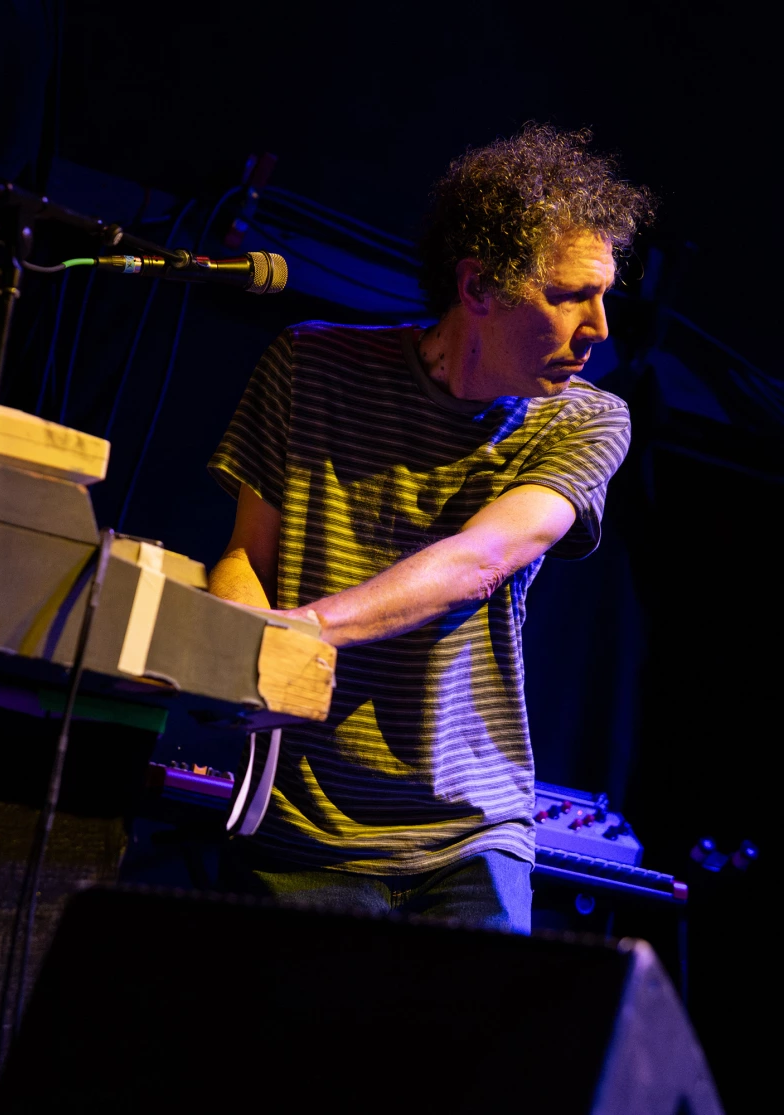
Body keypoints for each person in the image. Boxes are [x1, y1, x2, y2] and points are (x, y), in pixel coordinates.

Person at [207, 123, 653, 932]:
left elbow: (480, 558)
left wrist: (299, 632)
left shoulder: (589, 421)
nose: (600, 328)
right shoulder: (309, 366)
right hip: (300, 837)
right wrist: (240, 655)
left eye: (604, 295)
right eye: (567, 296)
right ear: (478, 285)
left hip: (470, 839)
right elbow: (245, 555)